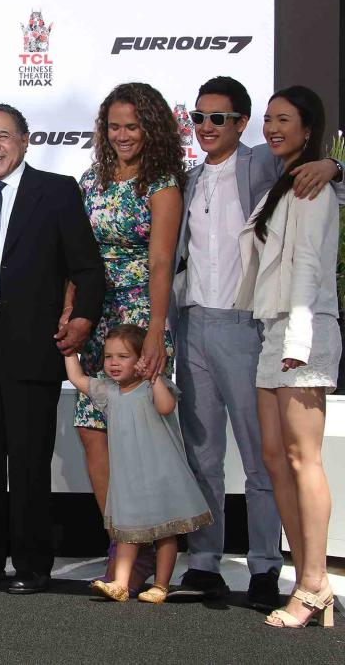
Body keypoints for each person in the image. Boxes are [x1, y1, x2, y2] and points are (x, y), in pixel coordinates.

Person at [169, 76, 344, 607]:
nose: (205, 127)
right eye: (198, 117)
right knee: (202, 451)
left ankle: (267, 566)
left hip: (251, 327)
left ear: (241, 124)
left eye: (217, 118)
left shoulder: (266, 165)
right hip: (192, 323)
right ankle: (204, 561)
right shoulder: (187, 177)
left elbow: (319, 181)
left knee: (262, 455)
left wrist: (334, 164)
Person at [0, 104, 106, 594]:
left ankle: (32, 565)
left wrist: (81, 320)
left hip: (33, 342)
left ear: (25, 140)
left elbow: (87, 268)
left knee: (30, 462)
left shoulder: (55, 192)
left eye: (3, 136)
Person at [71, 82, 184, 590]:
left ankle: (141, 552)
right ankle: (120, 543)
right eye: (114, 126)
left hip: (139, 317)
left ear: (151, 129)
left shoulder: (161, 184)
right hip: (95, 319)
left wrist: (155, 333)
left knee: (137, 438)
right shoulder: (90, 180)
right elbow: (74, 256)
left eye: (132, 126)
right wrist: (72, 313)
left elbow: (161, 261)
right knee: (92, 428)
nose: (122, 135)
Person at [234, 86, 339, 629]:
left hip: (304, 331)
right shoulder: (287, 181)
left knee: (303, 459)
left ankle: (315, 583)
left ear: (307, 127)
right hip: (272, 330)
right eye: (269, 119)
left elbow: (308, 269)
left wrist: (298, 344)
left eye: (285, 120)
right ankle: (307, 577)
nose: (273, 128)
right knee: (275, 459)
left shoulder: (314, 186)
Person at [65, 324, 212, 603]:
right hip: (129, 477)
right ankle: (120, 582)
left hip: (160, 474)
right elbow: (77, 377)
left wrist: (153, 376)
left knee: (165, 532)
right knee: (127, 531)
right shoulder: (108, 392)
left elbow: (166, 406)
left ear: (141, 359)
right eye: (109, 357)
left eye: (123, 356)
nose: (114, 363)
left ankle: (160, 585)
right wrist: (70, 349)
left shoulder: (150, 388)